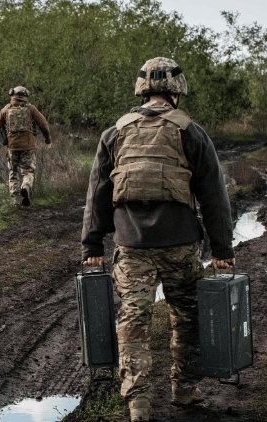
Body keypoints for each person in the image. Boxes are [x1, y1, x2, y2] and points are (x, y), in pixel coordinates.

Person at [81, 57, 235, 421]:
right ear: (177, 92)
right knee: (188, 317)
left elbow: (98, 192)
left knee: (133, 321)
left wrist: (91, 245)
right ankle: (183, 390)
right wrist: (222, 248)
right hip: (179, 244)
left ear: (142, 90)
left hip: (130, 245)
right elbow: (214, 194)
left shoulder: (114, 132)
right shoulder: (191, 131)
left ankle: (138, 405)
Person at [0, 86, 51, 206]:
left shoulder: (5, 110)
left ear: (12, 97)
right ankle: (26, 186)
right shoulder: (31, 109)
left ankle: (15, 201)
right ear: (25, 97)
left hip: (12, 146)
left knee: (13, 172)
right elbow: (43, 125)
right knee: (28, 171)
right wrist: (48, 139)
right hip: (28, 146)